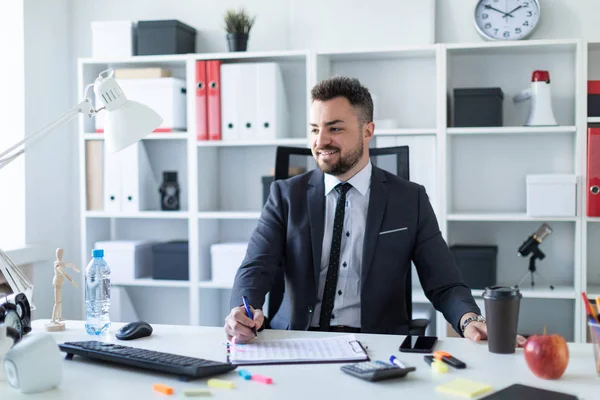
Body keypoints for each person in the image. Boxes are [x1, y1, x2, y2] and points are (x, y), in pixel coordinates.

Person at [225, 76, 526, 347]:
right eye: (315, 129)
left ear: (368, 131)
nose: (320, 141)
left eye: (335, 129)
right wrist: (243, 309)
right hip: (296, 341)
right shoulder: (286, 195)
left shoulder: (410, 199)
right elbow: (255, 267)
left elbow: (444, 282)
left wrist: (469, 319)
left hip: (376, 345)